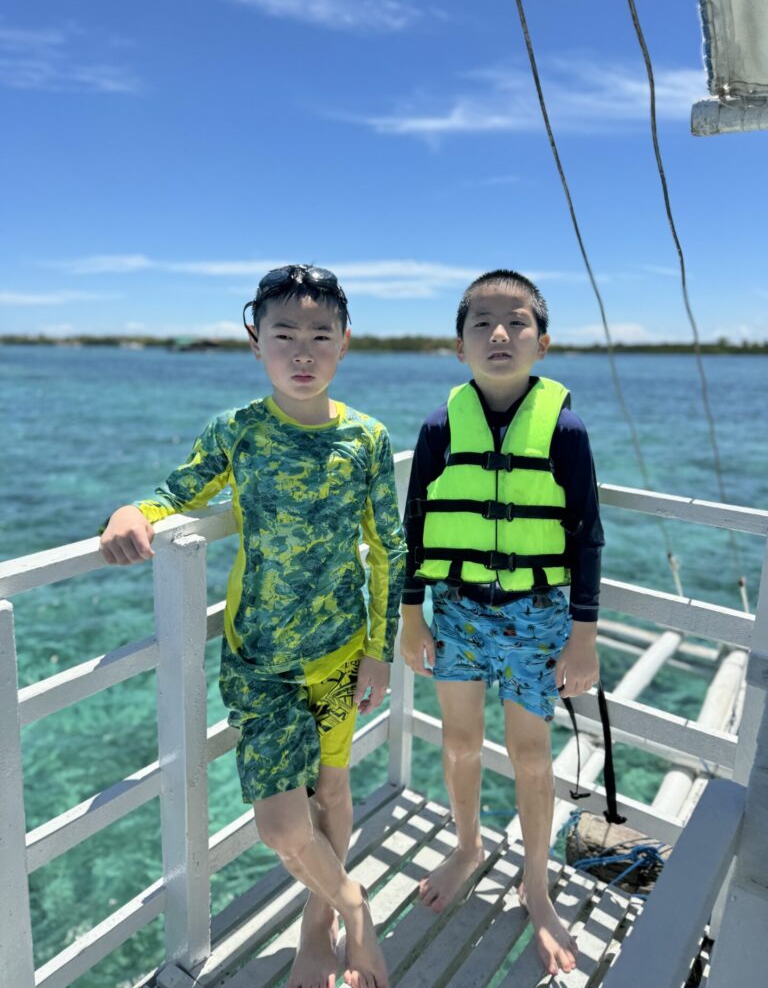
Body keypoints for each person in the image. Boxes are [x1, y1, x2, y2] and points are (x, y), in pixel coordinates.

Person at [100, 264, 405, 988]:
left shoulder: (366, 437)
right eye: (284, 334)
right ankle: (354, 904)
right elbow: (178, 491)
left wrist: (379, 651)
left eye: (320, 336)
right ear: (255, 341)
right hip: (260, 663)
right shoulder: (237, 431)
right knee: (281, 826)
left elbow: (390, 549)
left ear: (344, 344)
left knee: (333, 794)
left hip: (341, 655)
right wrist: (131, 512)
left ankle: (317, 929)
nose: (302, 352)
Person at [399, 269, 603, 976]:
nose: (499, 333)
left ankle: (536, 884)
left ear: (541, 343)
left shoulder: (566, 430)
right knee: (459, 739)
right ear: (459, 346)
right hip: (455, 610)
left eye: (517, 321)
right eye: (481, 322)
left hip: (537, 616)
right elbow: (416, 529)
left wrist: (583, 637)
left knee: (531, 754)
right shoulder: (438, 427)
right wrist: (411, 618)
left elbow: (587, 537)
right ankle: (468, 847)